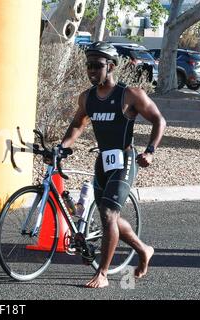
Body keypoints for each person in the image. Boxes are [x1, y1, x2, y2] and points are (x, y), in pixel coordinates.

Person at [59, 41, 166, 288]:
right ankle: (144, 249)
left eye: (97, 65)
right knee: (110, 217)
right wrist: (62, 147)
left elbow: (159, 120)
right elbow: (77, 124)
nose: (91, 71)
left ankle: (103, 274)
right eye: (88, 66)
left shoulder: (130, 95)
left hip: (125, 160)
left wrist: (150, 151)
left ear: (112, 66)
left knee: (108, 214)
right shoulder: (87, 98)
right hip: (103, 161)